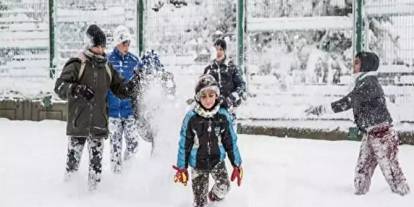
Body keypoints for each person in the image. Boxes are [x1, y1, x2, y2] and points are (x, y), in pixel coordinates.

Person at [305, 51, 410, 196]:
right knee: (362, 169)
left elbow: (347, 102)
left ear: (365, 65)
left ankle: (404, 198)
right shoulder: (363, 82)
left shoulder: (369, 84)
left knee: (392, 172)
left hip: (383, 135)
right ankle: (359, 199)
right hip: (371, 133)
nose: (353, 65)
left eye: (357, 62)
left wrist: (321, 109)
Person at [54, 24, 139, 191]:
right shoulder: (77, 64)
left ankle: (94, 197)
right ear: (89, 45)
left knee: (96, 170)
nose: (100, 49)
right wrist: (76, 89)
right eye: (97, 45)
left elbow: (120, 89)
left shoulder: (107, 67)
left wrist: (133, 86)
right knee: (72, 167)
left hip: (99, 125)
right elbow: (59, 87)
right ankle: (67, 196)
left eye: (102, 45)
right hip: (78, 125)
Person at [173, 74, 243, 207]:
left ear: (217, 95)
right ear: (198, 98)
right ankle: (202, 200)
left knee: (224, 187)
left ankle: (213, 197)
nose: (208, 100)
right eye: (203, 96)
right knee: (200, 203)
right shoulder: (192, 118)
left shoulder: (222, 116)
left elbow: (231, 142)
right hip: (198, 164)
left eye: (211, 95)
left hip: (217, 161)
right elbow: (184, 144)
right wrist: (182, 167)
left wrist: (237, 164)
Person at [107, 25, 142, 173]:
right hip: (113, 112)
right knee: (115, 145)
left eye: (128, 42)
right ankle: (116, 174)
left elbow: (140, 84)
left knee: (133, 143)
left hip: (129, 111)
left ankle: (128, 171)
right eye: (123, 43)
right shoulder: (107, 60)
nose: (126, 46)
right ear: (117, 42)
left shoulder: (135, 61)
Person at [203, 39, 246, 125]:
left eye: (221, 49)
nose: (218, 52)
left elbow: (241, 86)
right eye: (216, 49)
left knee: (230, 134)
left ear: (225, 51)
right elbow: (202, 87)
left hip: (230, 108)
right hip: (212, 108)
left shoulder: (232, 67)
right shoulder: (209, 69)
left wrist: (231, 98)